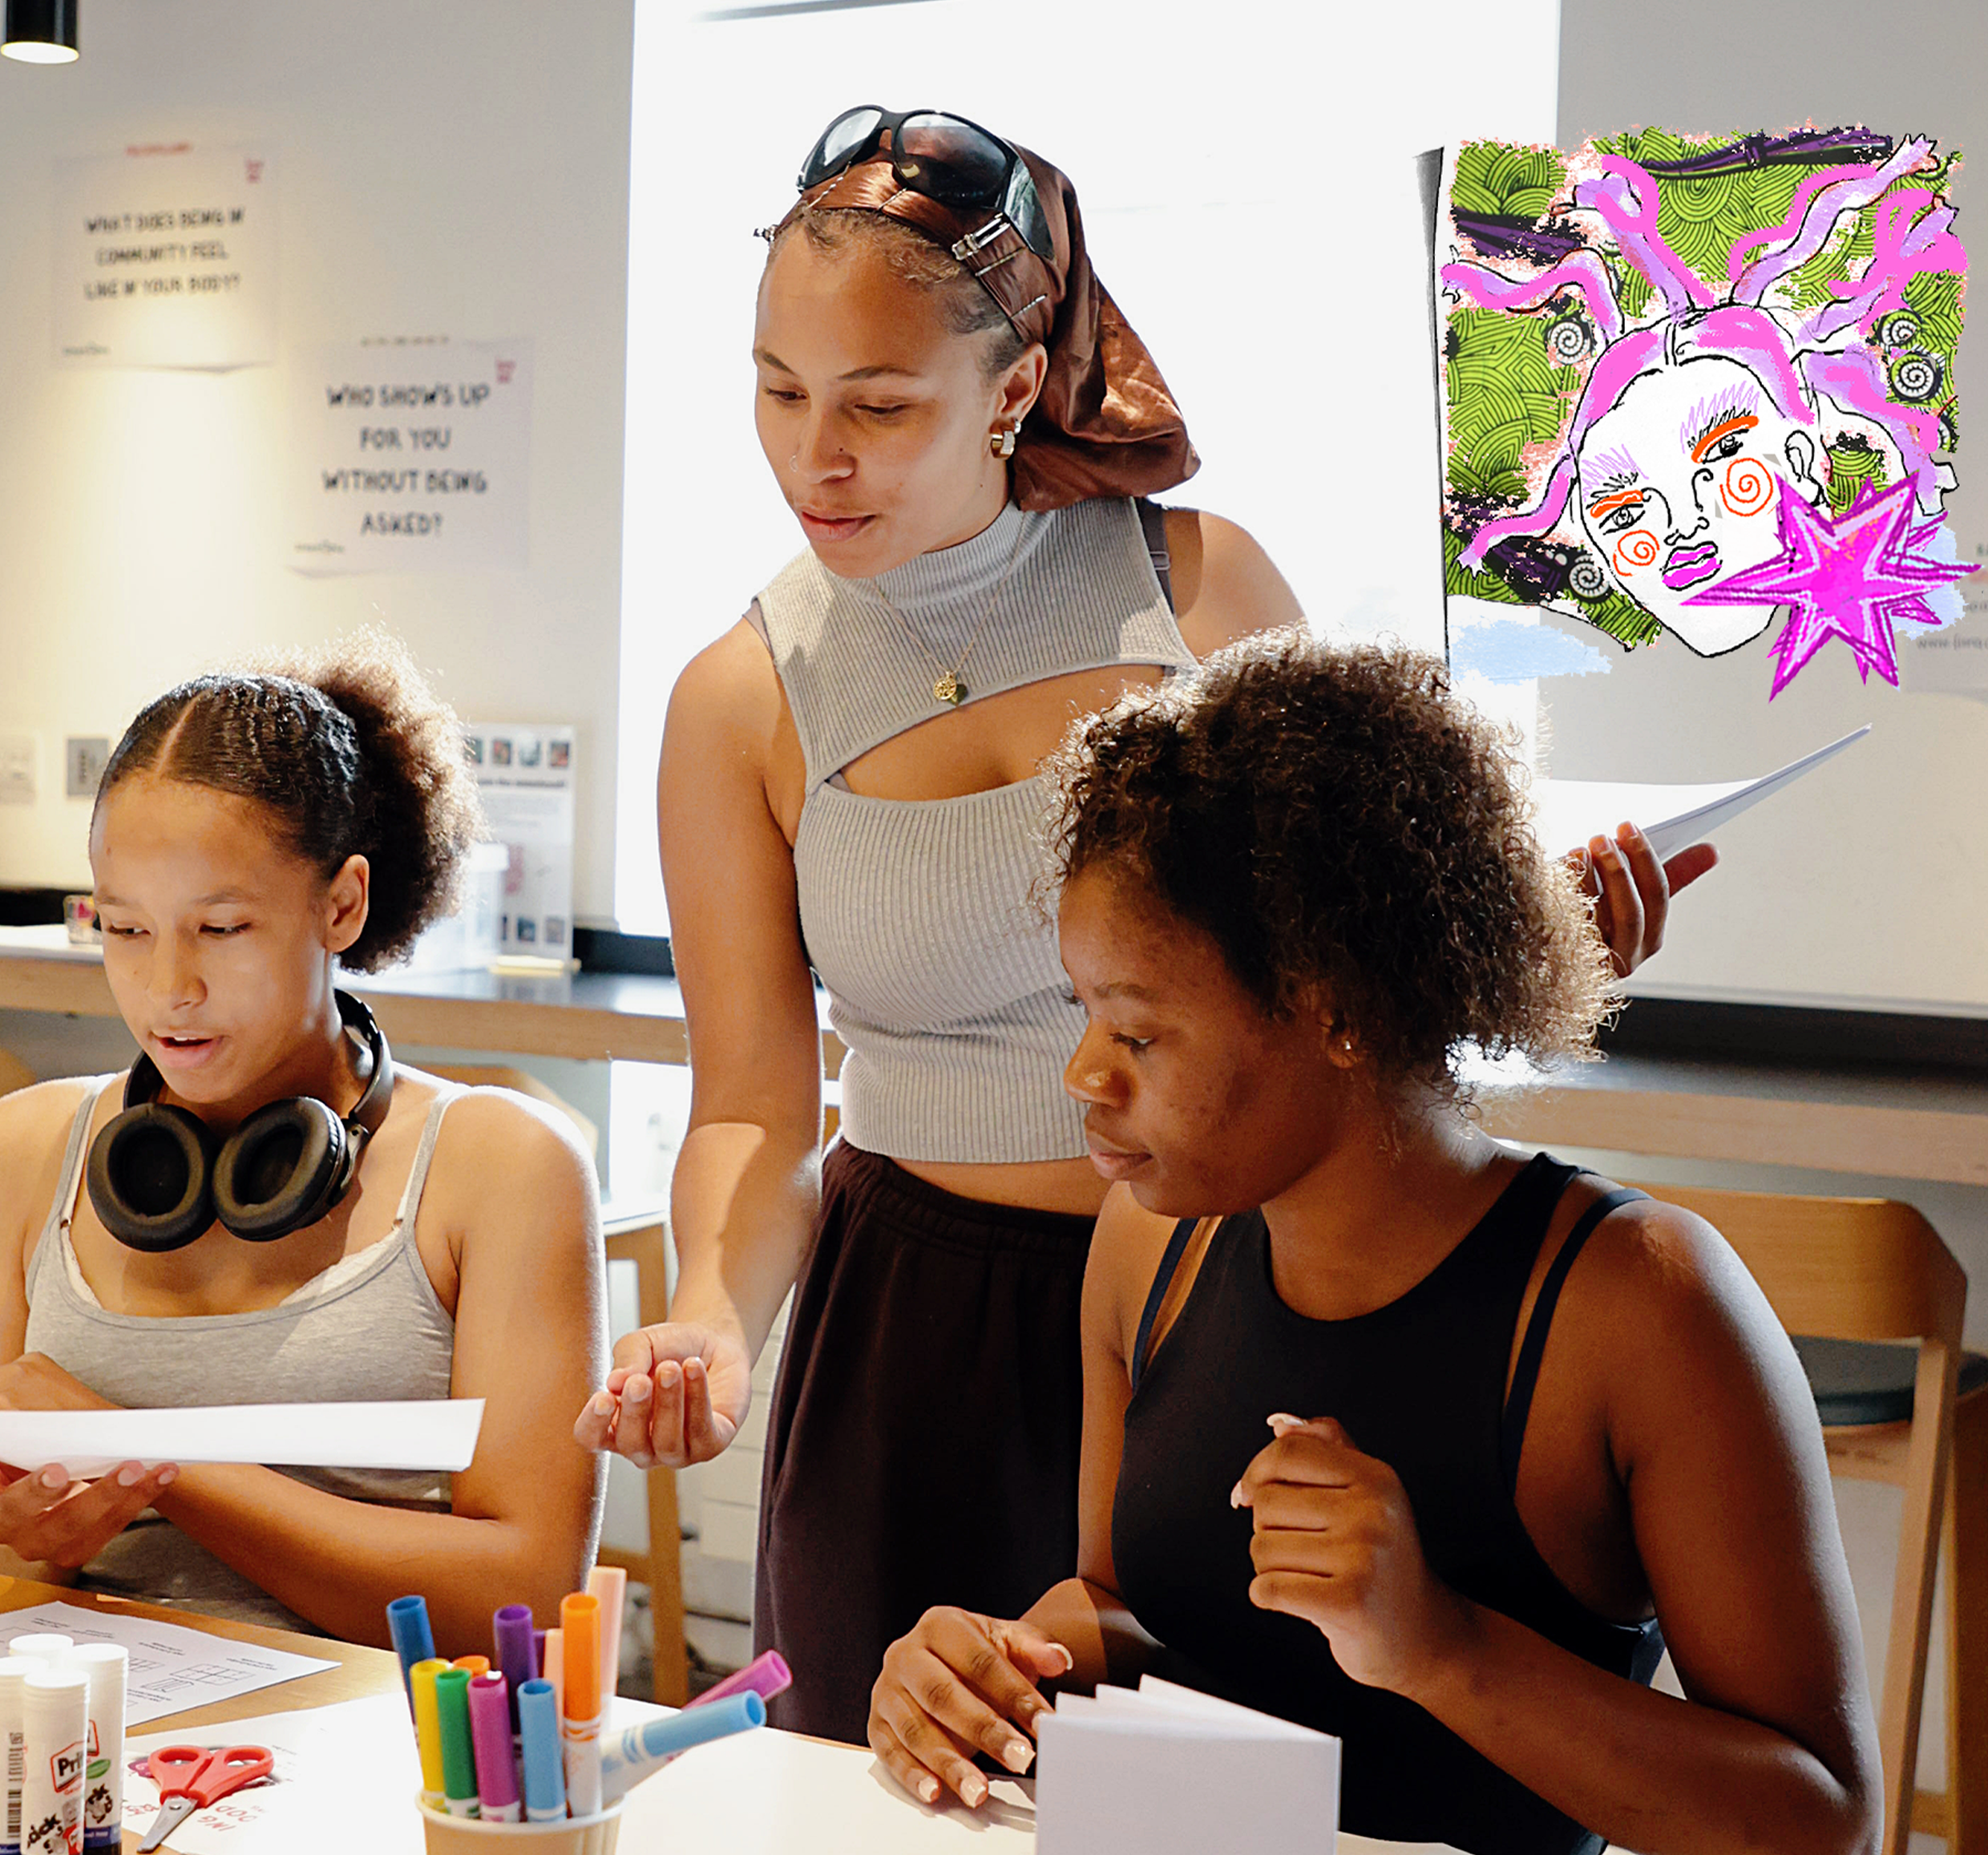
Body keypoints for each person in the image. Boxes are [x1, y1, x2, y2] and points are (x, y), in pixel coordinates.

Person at [576, 106, 1713, 1743]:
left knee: (1221, 1780)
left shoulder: (1201, 595)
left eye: (880, 404)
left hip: (1222, 1294)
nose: (814, 456)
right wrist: (707, 1314)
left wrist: (1535, 957)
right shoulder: (739, 695)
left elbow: (1346, 995)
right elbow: (755, 1101)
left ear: (1018, 385)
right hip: (912, 1329)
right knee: (888, 1790)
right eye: (777, 392)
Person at [866, 631, 1881, 1855]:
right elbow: (1133, 1611)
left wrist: (1438, 1647)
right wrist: (997, 1665)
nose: (1084, 1074)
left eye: (1138, 1033)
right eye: (1084, 1012)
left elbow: (1822, 1823)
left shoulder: (1640, 1304)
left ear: (1333, 1008)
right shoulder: (1146, 1247)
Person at [0, 634, 607, 1653]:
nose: (167, 989)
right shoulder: (28, 1147)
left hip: (372, 1742)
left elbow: (526, 1595)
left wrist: (153, 1458)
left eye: (222, 928)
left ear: (341, 903)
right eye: (124, 928)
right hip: (86, 1728)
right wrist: (26, 1537)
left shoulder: (500, 1166)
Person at [1445, 131, 1965, 658]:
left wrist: (1487, 540)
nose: (1684, 528)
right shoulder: (1771, 357)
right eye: (1722, 453)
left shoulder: (1608, 400)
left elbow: (1543, 512)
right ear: (1801, 463)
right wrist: (1893, 170)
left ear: (1594, 541)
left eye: (1624, 514)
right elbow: (1819, 224)